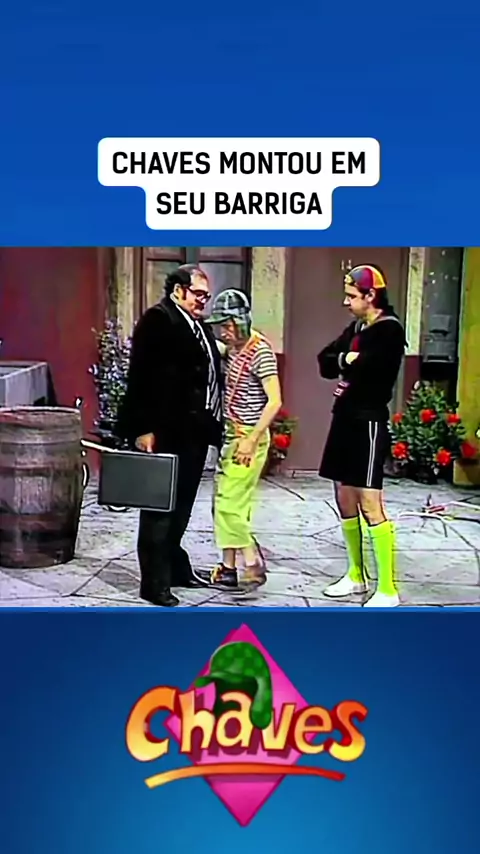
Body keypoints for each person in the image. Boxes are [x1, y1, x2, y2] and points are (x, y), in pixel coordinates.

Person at [116, 264, 223, 607]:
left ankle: (176, 568)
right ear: (178, 290)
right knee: (159, 510)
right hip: (166, 430)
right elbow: (141, 377)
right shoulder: (158, 320)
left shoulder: (199, 325)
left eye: (207, 295)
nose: (203, 300)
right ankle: (154, 582)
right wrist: (142, 429)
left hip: (194, 432)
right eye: (198, 294)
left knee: (182, 507)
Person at [317, 264, 406, 608]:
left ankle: (387, 588)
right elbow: (325, 360)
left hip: (368, 421)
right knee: (344, 496)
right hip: (344, 418)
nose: (346, 302)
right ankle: (356, 574)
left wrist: (351, 363)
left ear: (371, 296)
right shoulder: (357, 327)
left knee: (370, 501)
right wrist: (347, 358)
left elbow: (373, 371)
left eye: (352, 296)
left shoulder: (389, 330)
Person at [204, 289, 282, 592]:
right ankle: (228, 567)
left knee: (228, 504)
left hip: (248, 439)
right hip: (231, 436)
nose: (224, 331)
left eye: (228, 325)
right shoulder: (234, 349)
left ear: (241, 322)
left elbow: (274, 401)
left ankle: (252, 560)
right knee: (228, 502)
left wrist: (251, 439)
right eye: (220, 325)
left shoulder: (260, 352)